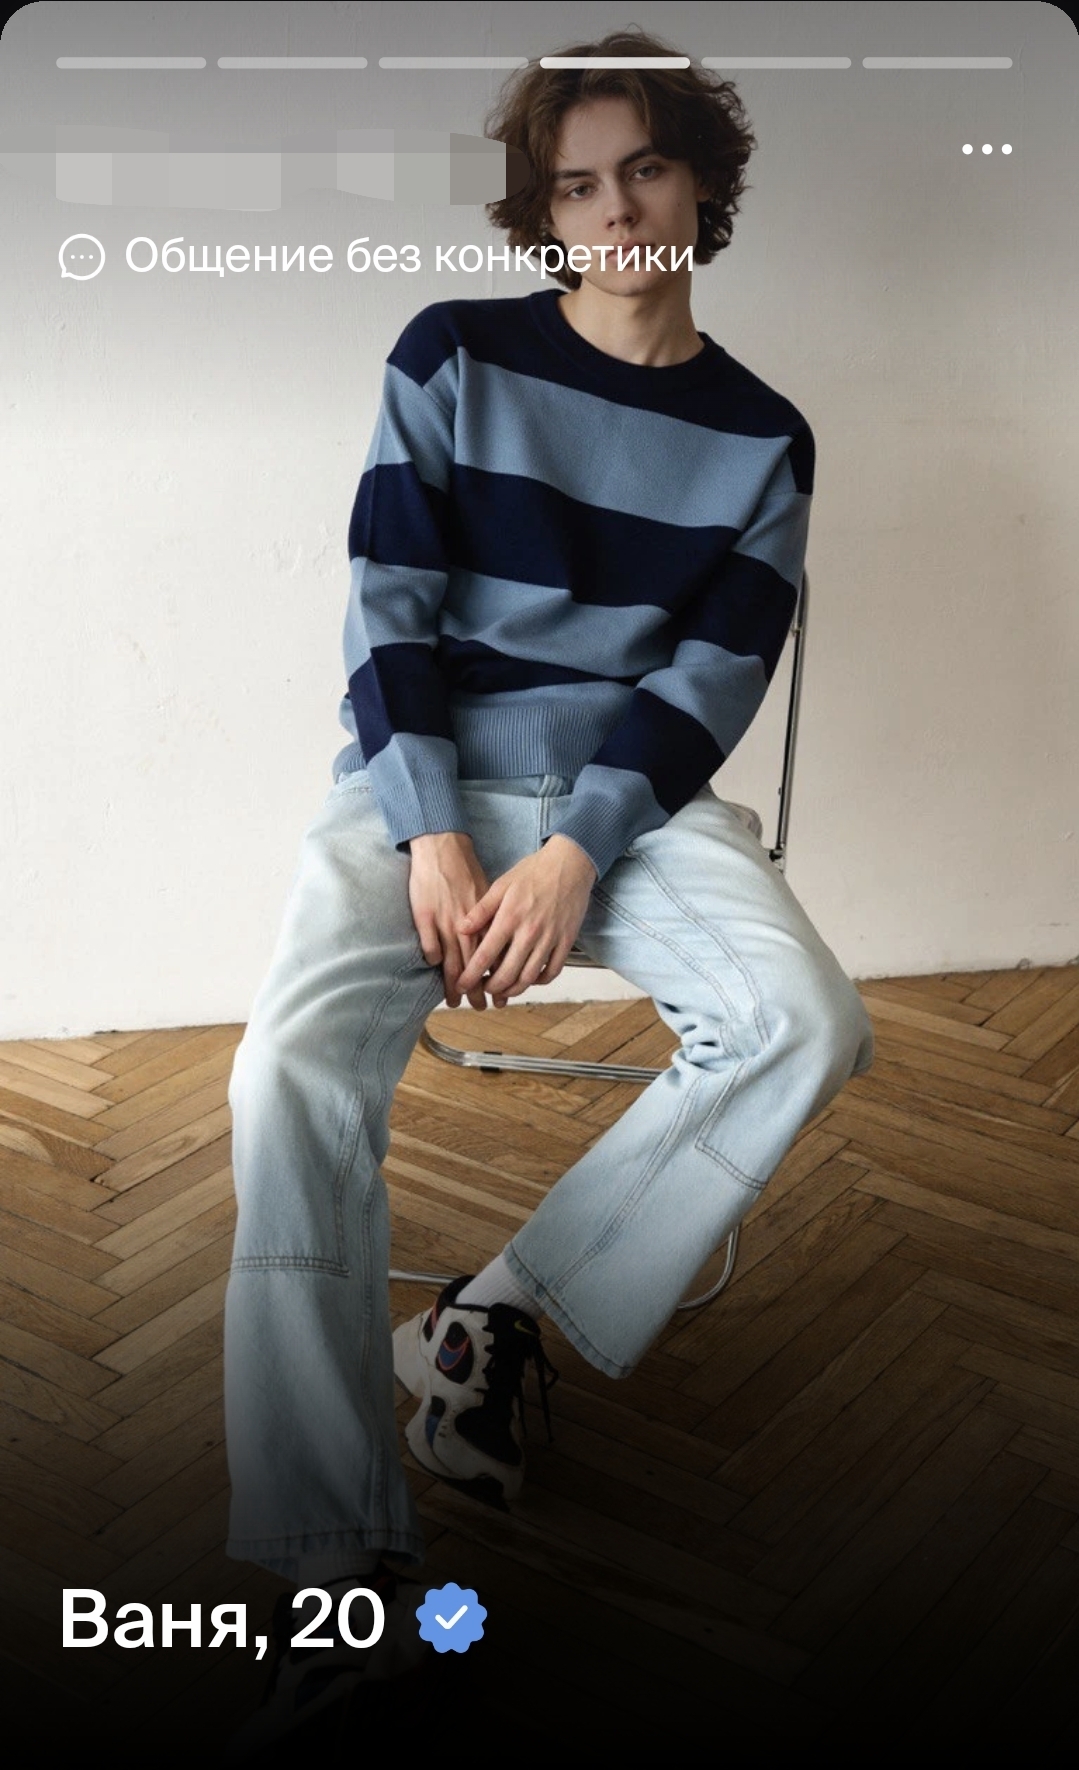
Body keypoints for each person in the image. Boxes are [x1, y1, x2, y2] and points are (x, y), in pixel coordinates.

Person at [223, 27, 875, 1737]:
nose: (616, 212)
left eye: (645, 169)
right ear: (544, 210)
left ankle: (493, 1313)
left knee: (807, 1017)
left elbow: (711, 684)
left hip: (629, 810)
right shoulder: (452, 353)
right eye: (578, 186)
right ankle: (331, 1574)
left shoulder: (765, 436)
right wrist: (431, 831)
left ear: (703, 183)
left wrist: (581, 847)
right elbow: (387, 607)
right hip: (419, 792)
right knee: (285, 1074)